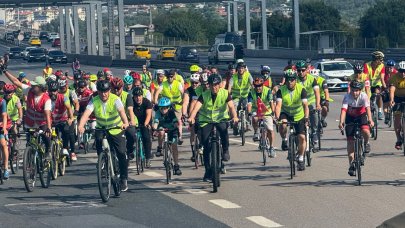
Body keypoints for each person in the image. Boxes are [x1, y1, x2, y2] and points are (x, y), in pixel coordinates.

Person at [78, 80, 130, 191]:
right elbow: (86, 114)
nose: (104, 94)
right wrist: (81, 126)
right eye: (101, 92)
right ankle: (103, 161)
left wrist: (125, 123)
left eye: (106, 91)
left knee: (121, 153)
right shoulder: (94, 101)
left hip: (116, 128)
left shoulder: (115, 99)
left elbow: (122, 112)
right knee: (99, 143)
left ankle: (124, 179)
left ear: (109, 90)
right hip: (101, 128)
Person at [188, 74, 238, 181]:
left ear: (220, 85)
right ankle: (207, 171)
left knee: (224, 131)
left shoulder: (225, 93)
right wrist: (192, 117)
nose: (214, 87)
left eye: (216, 85)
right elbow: (196, 108)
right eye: (211, 85)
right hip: (206, 121)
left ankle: (225, 150)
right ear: (209, 86)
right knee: (206, 146)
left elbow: (231, 107)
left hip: (220, 119)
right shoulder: (204, 95)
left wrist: (235, 117)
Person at [4, 71, 52, 161]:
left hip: (42, 123)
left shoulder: (46, 99)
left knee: (46, 136)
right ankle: (30, 160)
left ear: (41, 87)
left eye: (35, 86)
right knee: (30, 143)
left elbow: (47, 115)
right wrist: (4, 71)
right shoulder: (29, 90)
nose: (32, 87)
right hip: (29, 122)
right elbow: (15, 81)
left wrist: (48, 127)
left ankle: (48, 151)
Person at [274, 70, 309, 171]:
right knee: (283, 124)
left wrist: (306, 118)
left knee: (302, 137)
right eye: (288, 80)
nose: (290, 82)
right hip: (286, 113)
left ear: (295, 80)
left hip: (299, 115)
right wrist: (277, 117)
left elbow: (305, 106)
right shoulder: (281, 90)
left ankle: (301, 158)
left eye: (292, 80)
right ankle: (284, 139)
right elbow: (278, 106)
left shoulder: (301, 89)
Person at [339, 80, 374, 176]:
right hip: (350, 118)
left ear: (360, 90)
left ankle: (366, 143)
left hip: (361, 116)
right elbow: (343, 111)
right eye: (353, 90)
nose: (355, 93)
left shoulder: (364, 96)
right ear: (351, 90)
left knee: (366, 131)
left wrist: (370, 120)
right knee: (350, 143)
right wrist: (341, 122)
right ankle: (351, 165)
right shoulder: (347, 97)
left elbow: (367, 109)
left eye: (357, 90)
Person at [111, 78, 139, 165]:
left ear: (122, 87)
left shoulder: (127, 96)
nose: (116, 90)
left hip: (127, 120)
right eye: (114, 88)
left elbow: (130, 110)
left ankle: (130, 149)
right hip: (114, 121)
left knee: (131, 134)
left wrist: (132, 122)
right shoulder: (109, 96)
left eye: (118, 88)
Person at [153, 97, 182, 175]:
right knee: (161, 132)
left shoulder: (171, 112)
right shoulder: (158, 113)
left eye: (165, 108)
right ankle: (159, 148)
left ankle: (176, 166)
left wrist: (176, 127)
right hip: (162, 128)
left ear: (169, 107)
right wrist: (155, 129)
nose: (163, 110)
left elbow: (176, 122)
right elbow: (156, 122)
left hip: (172, 130)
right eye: (161, 108)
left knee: (174, 146)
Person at [247, 75, 275, 157]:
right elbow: (249, 104)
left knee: (270, 129)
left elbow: (271, 102)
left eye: (259, 86)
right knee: (254, 118)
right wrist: (249, 112)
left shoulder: (268, 91)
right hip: (256, 110)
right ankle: (256, 132)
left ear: (262, 85)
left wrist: (273, 112)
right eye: (256, 86)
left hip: (267, 110)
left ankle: (271, 147)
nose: (258, 88)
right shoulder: (251, 92)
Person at [154, 70, 184, 144]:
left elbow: (183, 93)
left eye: (171, 77)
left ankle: (180, 136)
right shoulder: (163, 84)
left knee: (178, 121)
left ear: (174, 77)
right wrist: (156, 101)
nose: (170, 78)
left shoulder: (178, 83)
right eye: (168, 77)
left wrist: (182, 101)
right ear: (166, 77)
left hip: (176, 105)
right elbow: (157, 92)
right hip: (166, 105)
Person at [296, 60, 321, 145]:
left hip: (311, 101)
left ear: (307, 70)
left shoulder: (312, 79)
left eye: (303, 70)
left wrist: (317, 104)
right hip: (300, 103)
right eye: (299, 70)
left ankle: (314, 132)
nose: (301, 72)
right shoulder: (294, 80)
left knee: (314, 112)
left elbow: (317, 92)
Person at [48, 80, 74, 157]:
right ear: (48, 90)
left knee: (66, 131)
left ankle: (65, 148)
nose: (53, 93)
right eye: (51, 91)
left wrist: (71, 118)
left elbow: (69, 108)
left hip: (62, 119)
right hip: (51, 120)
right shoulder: (46, 98)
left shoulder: (63, 97)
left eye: (55, 91)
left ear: (58, 90)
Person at [228, 62, 253, 135]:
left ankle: (247, 124)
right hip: (236, 97)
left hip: (245, 96)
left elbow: (252, 84)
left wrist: (254, 91)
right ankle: (235, 126)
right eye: (239, 68)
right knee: (234, 109)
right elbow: (229, 86)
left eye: (242, 68)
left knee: (248, 108)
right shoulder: (234, 77)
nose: (241, 69)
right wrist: (228, 95)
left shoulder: (248, 75)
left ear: (245, 69)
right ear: (237, 69)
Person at [182, 73, 202, 161]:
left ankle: (202, 146)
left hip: (202, 112)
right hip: (191, 113)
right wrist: (184, 113)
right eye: (193, 82)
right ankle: (194, 153)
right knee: (193, 132)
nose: (194, 84)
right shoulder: (188, 91)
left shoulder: (203, 90)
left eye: (196, 83)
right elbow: (185, 103)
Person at [58, 79, 79, 160]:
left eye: (63, 88)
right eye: (60, 88)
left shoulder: (71, 92)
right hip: (59, 117)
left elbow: (76, 103)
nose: (61, 89)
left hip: (69, 117)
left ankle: (73, 152)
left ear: (66, 86)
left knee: (70, 134)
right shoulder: (57, 93)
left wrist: (75, 113)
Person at [132, 87, 153, 167]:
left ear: (142, 96)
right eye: (136, 96)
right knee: (130, 135)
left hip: (145, 122)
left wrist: (145, 124)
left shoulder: (147, 102)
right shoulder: (131, 102)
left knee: (146, 137)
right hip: (134, 122)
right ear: (133, 97)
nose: (138, 98)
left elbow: (149, 114)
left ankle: (148, 158)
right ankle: (131, 151)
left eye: (139, 96)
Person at [363, 51, 386, 120]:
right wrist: (367, 88)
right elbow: (365, 77)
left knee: (378, 94)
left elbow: (382, 78)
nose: (382, 61)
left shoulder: (382, 66)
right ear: (376, 60)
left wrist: (385, 87)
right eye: (381, 59)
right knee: (367, 98)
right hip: (368, 84)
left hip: (377, 84)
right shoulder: (366, 65)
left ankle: (379, 111)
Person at [389, 61, 405, 150]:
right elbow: (392, 89)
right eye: (401, 71)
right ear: (398, 70)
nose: (403, 73)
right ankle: (398, 139)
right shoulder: (394, 77)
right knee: (397, 119)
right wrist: (392, 100)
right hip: (397, 98)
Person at [0, 85, 10, 179]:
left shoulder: (2, 102)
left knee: (3, 144)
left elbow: (4, 116)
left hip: (1, 126)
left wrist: (4, 128)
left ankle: (6, 168)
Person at [384, 59, 397, 124]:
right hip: (385, 89)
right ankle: (386, 116)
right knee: (385, 104)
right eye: (388, 66)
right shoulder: (383, 72)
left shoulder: (396, 72)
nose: (389, 68)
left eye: (391, 67)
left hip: (393, 89)